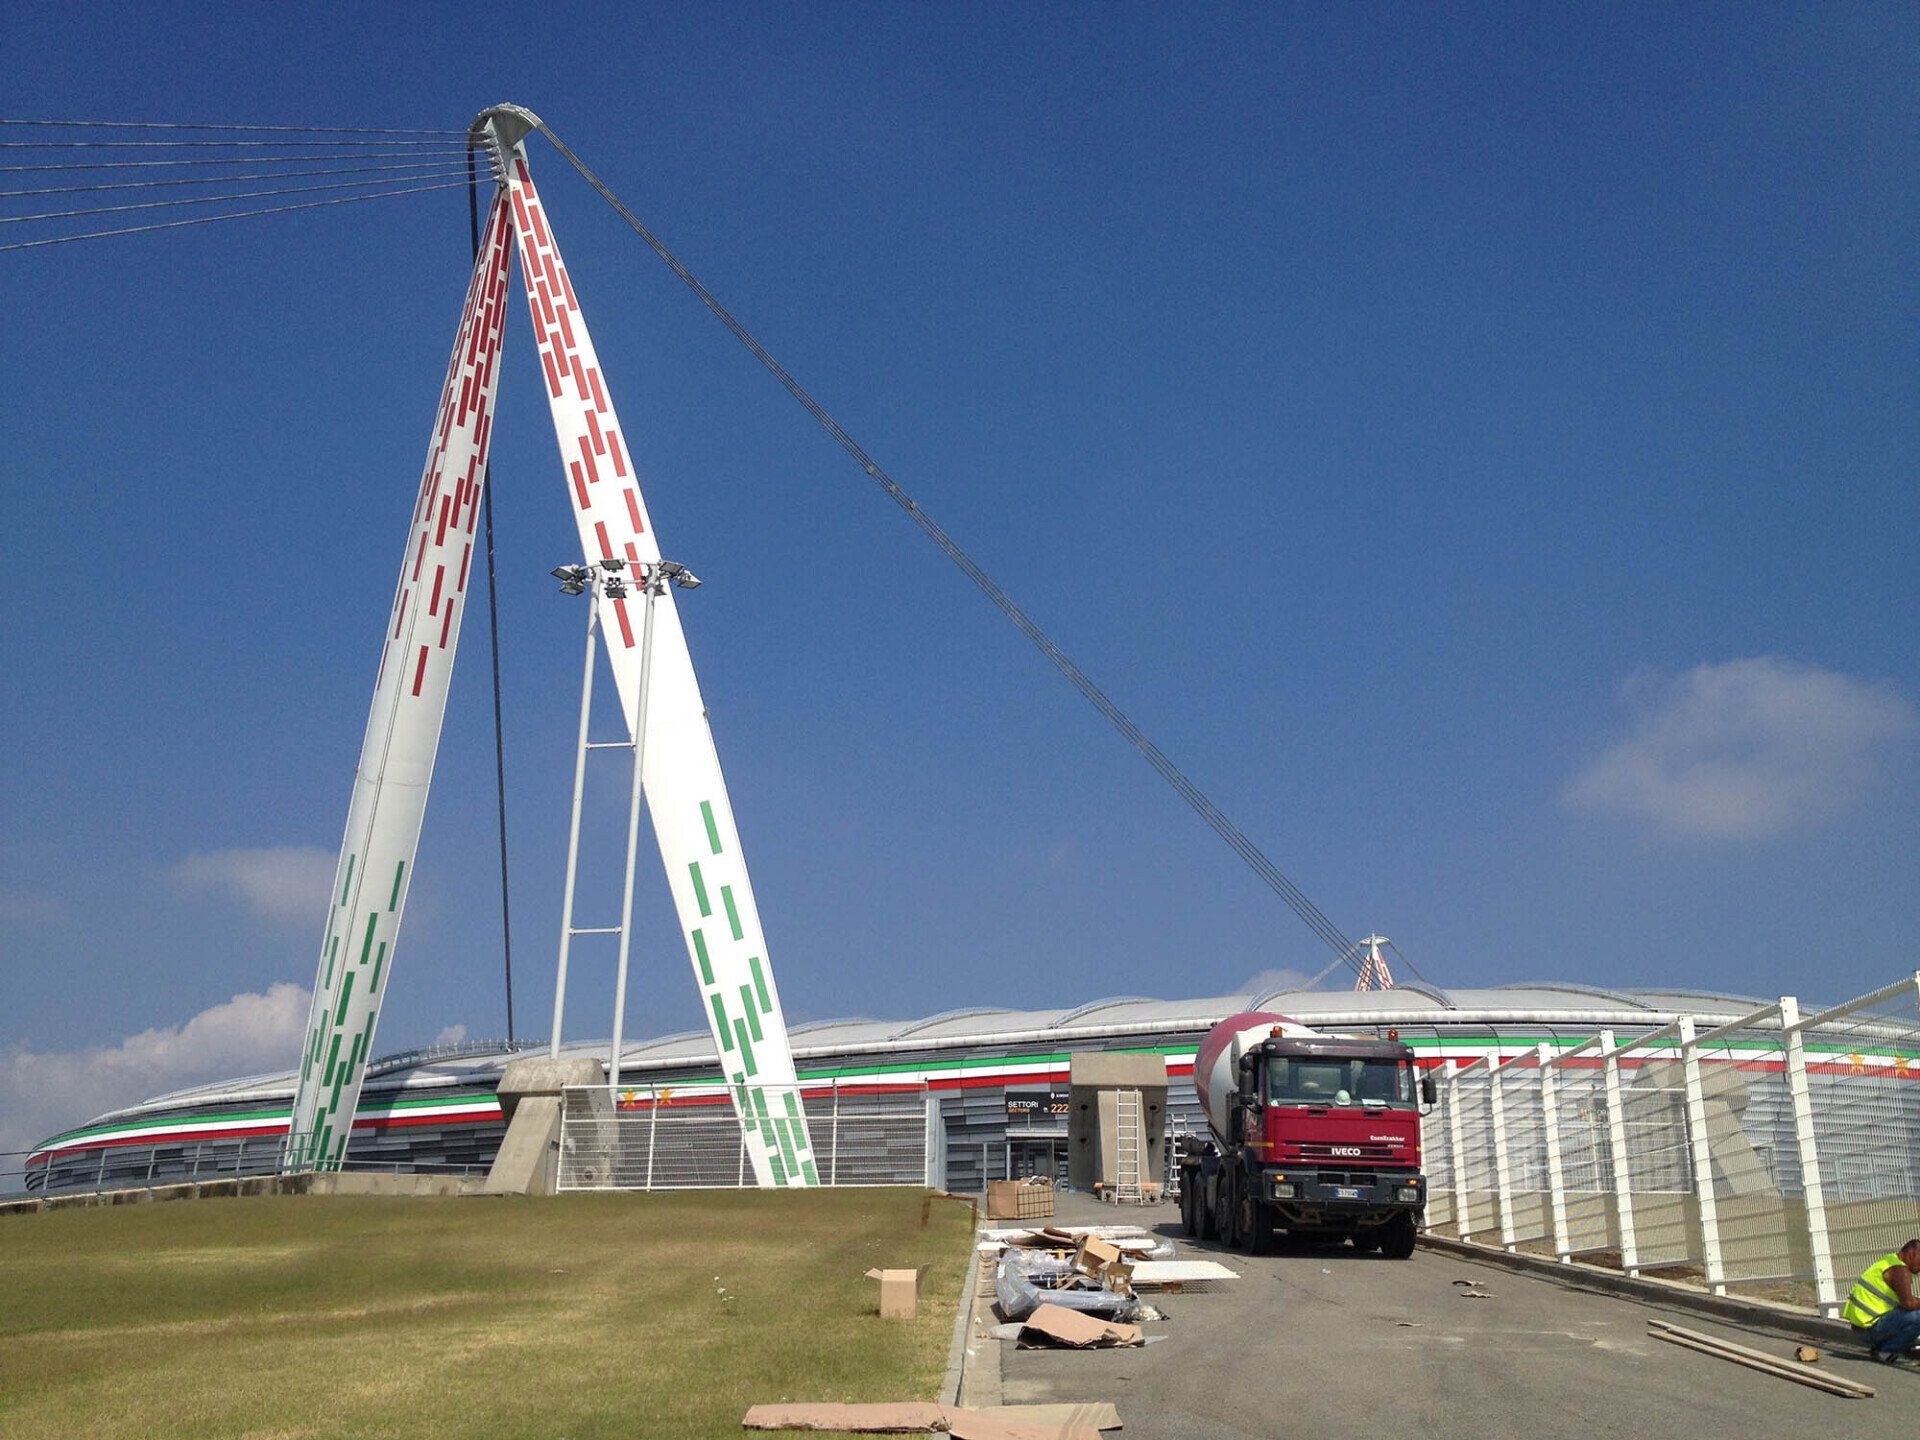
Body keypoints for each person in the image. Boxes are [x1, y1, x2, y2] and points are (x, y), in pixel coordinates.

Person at [1844, 1239, 1920, 1365]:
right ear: (1912, 1254)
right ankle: (1889, 1351)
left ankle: (1882, 1348)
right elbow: (1909, 1303)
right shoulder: (1900, 1271)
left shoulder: (1888, 1261)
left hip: (1861, 1327)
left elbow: (1906, 1301)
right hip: (1870, 1330)